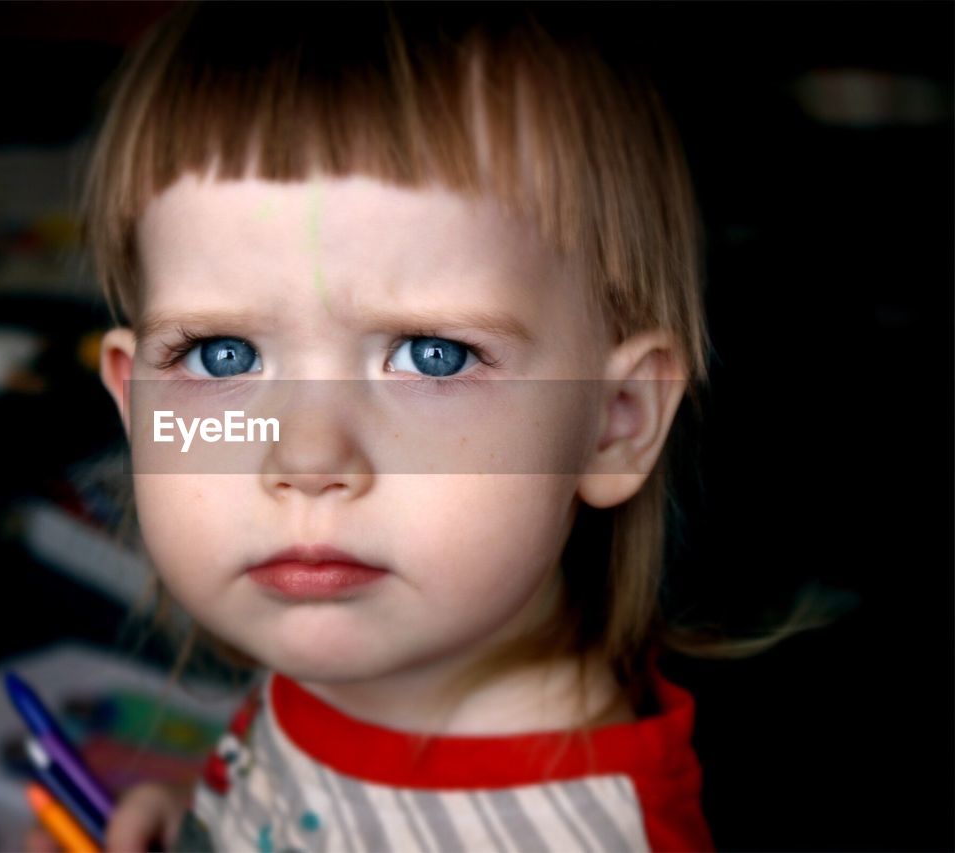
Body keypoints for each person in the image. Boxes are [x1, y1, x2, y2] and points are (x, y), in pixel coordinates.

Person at [86, 3, 715, 850]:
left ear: (615, 421)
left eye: (432, 356)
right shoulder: (342, 635)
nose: (305, 459)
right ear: (137, 410)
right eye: (222, 355)